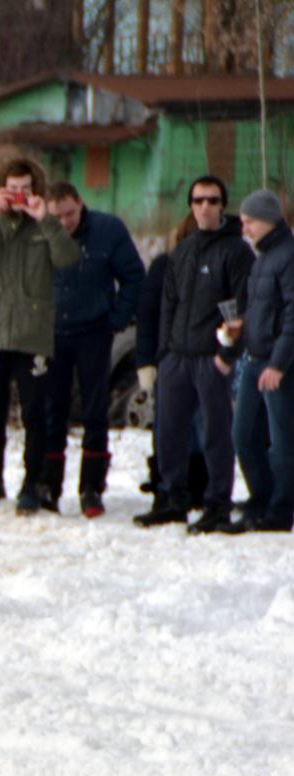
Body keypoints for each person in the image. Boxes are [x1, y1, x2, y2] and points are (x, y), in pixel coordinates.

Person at [0, 157, 81, 514]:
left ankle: (32, 484)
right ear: (1, 190)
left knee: (34, 414)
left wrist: (46, 219)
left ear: (36, 192)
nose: (20, 196)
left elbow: (68, 258)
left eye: (26, 190)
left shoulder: (45, 226)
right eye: (13, 190)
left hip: (32, 337)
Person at [134, 175, 253, 532]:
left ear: (222, 206)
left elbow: (242, 309)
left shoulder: (236, 251)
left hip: (210, 357)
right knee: (169, 430)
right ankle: (172, 498)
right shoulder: (182, 251)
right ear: (190, 206)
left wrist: (225, 355)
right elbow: (167, 305)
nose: (205, 206)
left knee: (215, 433)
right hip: (177, 358)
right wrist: (164, 354)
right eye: (199, 200)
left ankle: (218, 502)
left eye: (213, 200)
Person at [43, 182, 145, 517]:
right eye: (57, 216)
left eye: (69, 214)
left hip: (94, 332)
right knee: (53, 411)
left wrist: (117, 317)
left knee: (94, 411)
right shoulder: (42, 232)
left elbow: (133, 277)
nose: (65, 222)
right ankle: (49, 486)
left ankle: (91, 488)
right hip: (52, 333)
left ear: (80, 204)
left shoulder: (107, 229)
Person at [223, 190, 294, 533]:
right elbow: (263, 309)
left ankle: (281, 509)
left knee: (281, 441)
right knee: (243, 434)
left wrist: (279, 363)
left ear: (268, 219)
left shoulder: (288, 255)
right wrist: (243, 328)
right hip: (253, 358)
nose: (245, 228)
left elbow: (293, 316)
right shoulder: (263, 257)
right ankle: (260, 498)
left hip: (278, 364)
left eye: (249, 222)